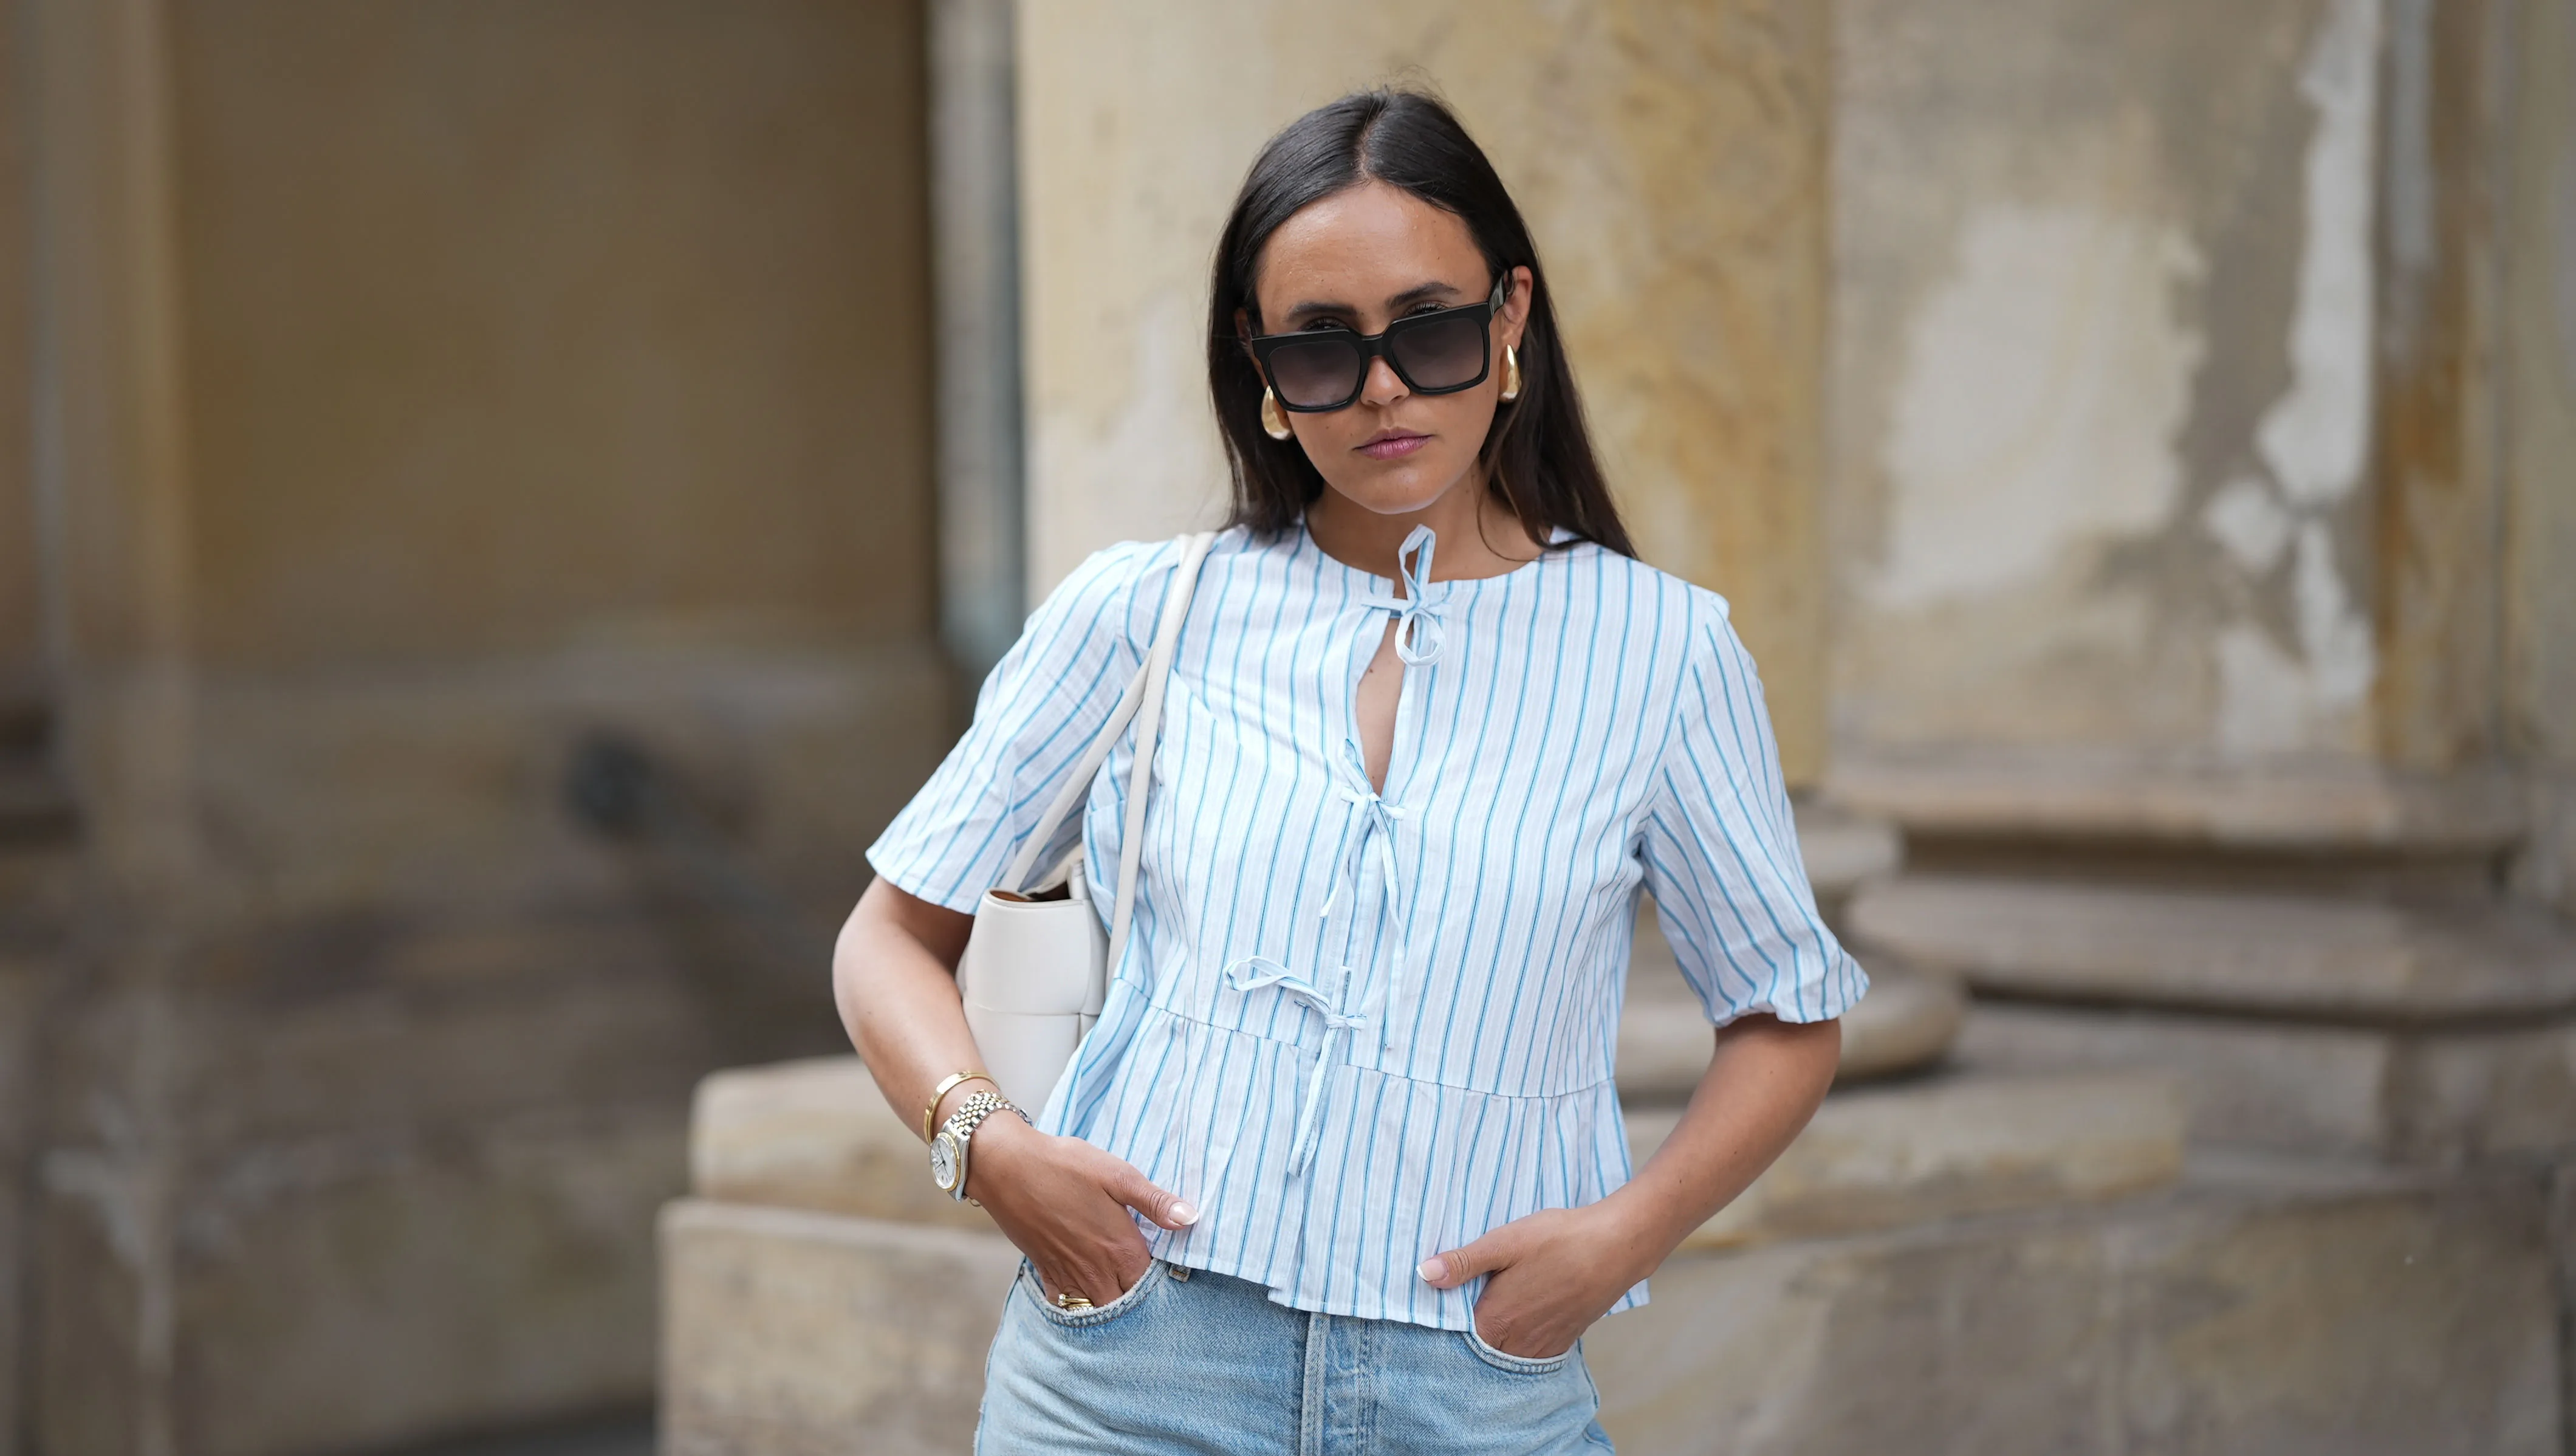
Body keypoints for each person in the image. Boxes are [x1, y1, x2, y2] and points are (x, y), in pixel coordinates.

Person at [833, 88, 1866, 1454]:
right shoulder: (1141, 612)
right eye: (1319, 349)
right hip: (1127, 1370)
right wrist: (992, 1149)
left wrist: (1618, 1240)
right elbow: (889, 935)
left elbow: (1787, 1014)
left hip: (1477, 1385)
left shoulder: (1663, 652)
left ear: (1508, 320)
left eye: (1427, 328)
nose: (1382, 387)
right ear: (1260, 373)